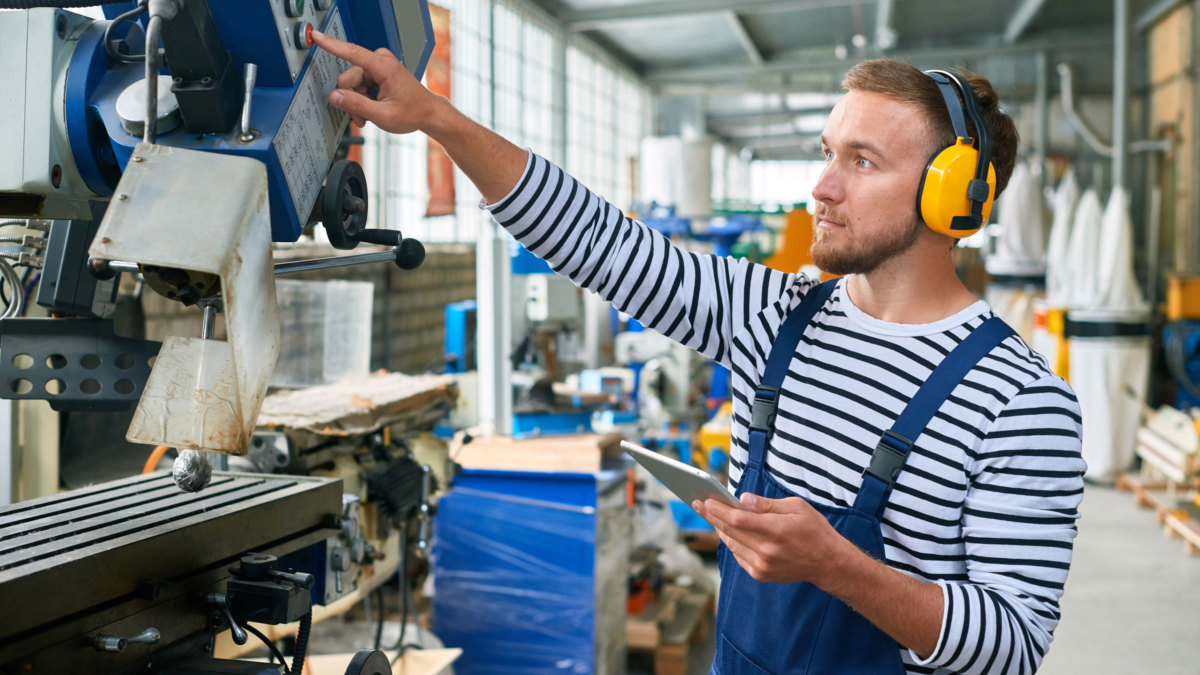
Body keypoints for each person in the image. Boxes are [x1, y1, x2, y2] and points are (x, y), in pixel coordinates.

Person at [313, 30, 1084, 675]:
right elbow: (598, 240)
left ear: (951, 196)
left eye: (862, 161)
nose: (822, 186)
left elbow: (1013, 643)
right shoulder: (775, 316)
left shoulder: (1019, 399)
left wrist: (835, 565)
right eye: (827, 152)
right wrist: (438, 119)